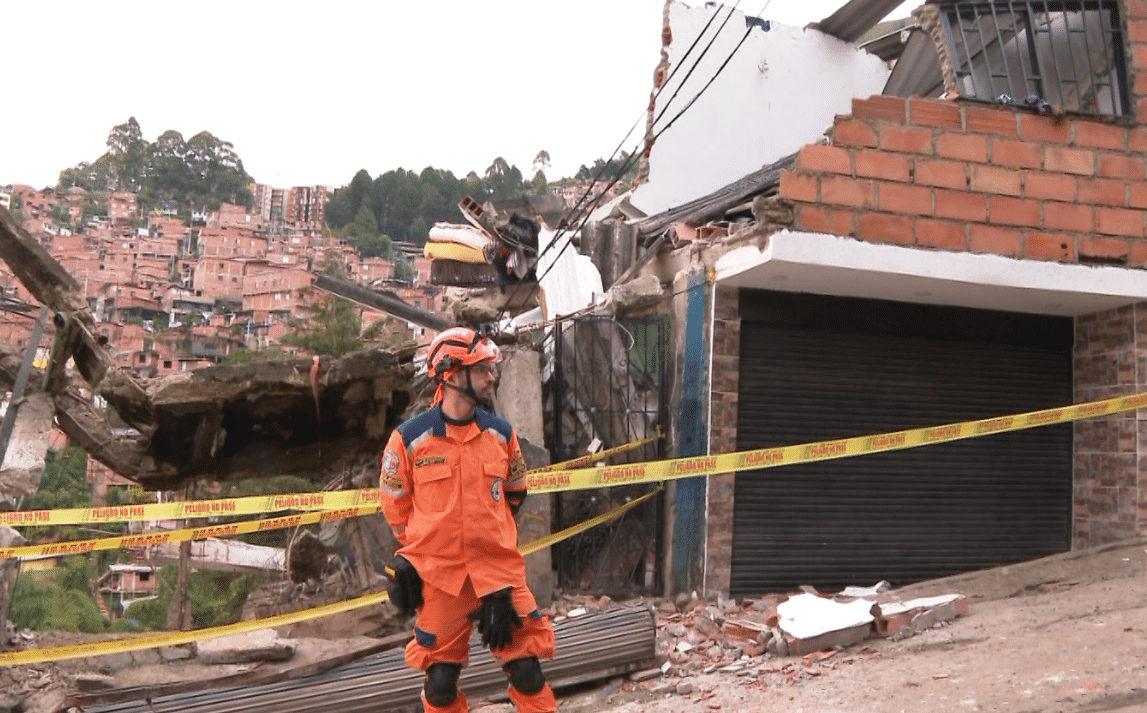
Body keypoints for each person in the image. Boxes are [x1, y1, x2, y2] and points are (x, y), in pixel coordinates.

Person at [380, 326, 557, 713]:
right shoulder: (409, 440)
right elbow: (396, 507)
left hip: (500, 576)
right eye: (481, 370)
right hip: (442, 579)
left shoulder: (501, 435)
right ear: (451, 374)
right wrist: (413, 555)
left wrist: (490, 560)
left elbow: (514, 494)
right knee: (440, 684)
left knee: (527, 670)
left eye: (490, 369)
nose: (491, 377)